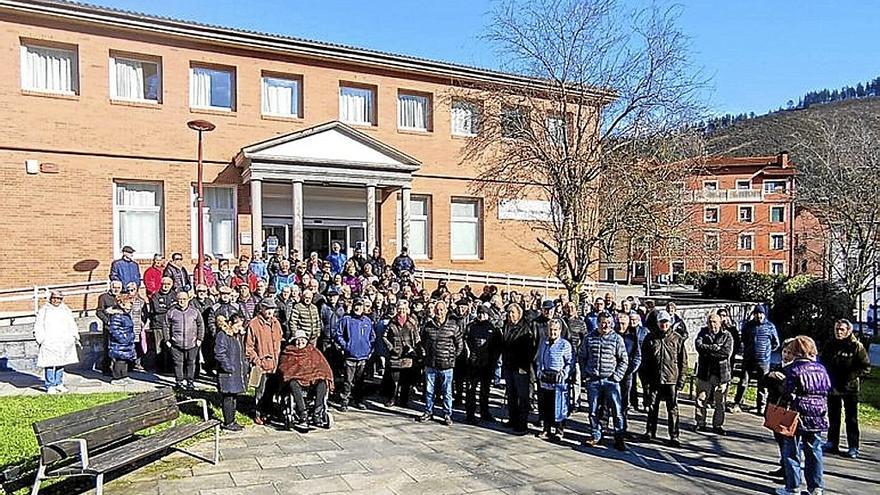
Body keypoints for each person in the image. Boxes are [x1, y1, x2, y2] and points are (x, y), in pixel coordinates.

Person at [775, 336, 831, 495]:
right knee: (815, 450)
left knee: (791, 451)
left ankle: (792, 487)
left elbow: (786, 392)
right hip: (818, 413)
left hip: (797, 413)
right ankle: (816, 488)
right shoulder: (821, 369)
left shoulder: (793, 369)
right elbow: (827, 387)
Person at [821, 319, 871, 459]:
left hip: (850, 388)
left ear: (848, 331)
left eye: (842, 329)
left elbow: (865, 367)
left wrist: (851, 375)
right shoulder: (830, 345)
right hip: (833, 386)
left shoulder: (856, 347)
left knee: (851, 419)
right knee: (833, 416)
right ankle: (832, 442)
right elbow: (823, 361)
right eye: (837, 329)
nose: (839, 332)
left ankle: (853, 446)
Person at [581, 312, 628, 450]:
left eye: (607, 322)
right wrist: (585, 374)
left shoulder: (617, 339)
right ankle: (596, 435)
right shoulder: (589, 338)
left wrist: (617, 376)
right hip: (593, 380)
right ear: (598, 322)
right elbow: (582, 356)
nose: (605, 325)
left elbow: (624, 360)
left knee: (617, 411)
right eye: (602, 322)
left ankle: (619, 437)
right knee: (593, 410)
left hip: (611, 381)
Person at [641, 310, 687, 447]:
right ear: (657, 323)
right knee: (652, 406)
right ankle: (650, 432)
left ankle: (674, 435)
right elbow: (645, 361)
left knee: (672, 409)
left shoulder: (677, 338)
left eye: (666, 322)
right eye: (661, 322)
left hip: (671, 380)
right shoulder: (650, 338)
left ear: (670, 323)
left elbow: (683, 362)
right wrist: (645, 381)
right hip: (654, 379)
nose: (664, 325)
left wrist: (681, 381)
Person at [278, 330, 335, 430]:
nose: (300, 342)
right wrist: (296, 374)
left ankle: (317, 413)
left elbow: (322, 366)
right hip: (297, 382)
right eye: (297, 340)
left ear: (306, 341)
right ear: (294, 341)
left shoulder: (313, 351)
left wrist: (316, 374)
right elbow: (285, 368)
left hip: (313, 381)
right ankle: (302, 414)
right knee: (292, 383)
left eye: (302, 340)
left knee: (322, 381)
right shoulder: (288, 352)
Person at [418, 301, 463, 425]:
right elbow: (422, 342)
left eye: (442, 309)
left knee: (447, 392)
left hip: (446, 365)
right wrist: (424, 354)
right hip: (430, 364)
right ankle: (428, 411)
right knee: (429, 390)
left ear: (446, 311)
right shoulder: (428, 326)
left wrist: (451, 358)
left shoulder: (453, 326)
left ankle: (447, 414)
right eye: (437, 310)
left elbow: (460, 345)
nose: (439, 312)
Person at [731, 304, 780, 415]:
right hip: (748, 358)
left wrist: (766, 351)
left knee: (762, 385)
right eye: (757, 313)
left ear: (764, 314)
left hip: (763, 360)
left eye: (761, 313)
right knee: (743, 382)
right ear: (754, 314)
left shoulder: (770, 326)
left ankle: (760, 407)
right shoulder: (748, 326)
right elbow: (743, 338)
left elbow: (776, 343)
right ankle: (737, 403)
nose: (759, 316)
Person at [693, 313, 734, 435]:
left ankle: (717, 425)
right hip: (705, 372)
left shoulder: (727, 336)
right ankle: (700, 423)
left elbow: (725, 353)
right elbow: (699, 347)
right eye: (710, 322)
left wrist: (709, 352)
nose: (712, 324)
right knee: (701, 399)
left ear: (720, 322)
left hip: (721, 374)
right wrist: (715, 348)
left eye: (715, 322)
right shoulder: (702, 333)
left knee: (720, 402)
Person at [245, 298, 284, 425]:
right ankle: (258, 413)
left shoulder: (276, 323)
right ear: (261, 308)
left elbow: (279, 341)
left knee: (271, 390)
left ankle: (269, 412)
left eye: (272, 309)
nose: (269, 311)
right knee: (260, 391)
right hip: (261, 365)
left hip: (275, 364)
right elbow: (248, 347)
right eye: (267, 308)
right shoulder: (254, 324)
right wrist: (257, 361)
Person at [501, 302, 537, 434]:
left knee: (522, 397)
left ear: (519, 314)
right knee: (511, 395)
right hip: (509, 366)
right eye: (509, 313)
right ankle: (512, 419)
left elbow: (530, 349)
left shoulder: (526, 328)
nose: (510, 315)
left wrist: (524, 364)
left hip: (521, 368)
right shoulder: (506, 327)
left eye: (513, 313)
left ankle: (522, 423)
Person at [34, 290, 80, 394]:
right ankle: (50, 385)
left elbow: (71, 323)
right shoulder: (44, 310)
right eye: (54, 298)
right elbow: (38, 325)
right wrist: (41, 339)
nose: (56, 300)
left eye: (59, 298)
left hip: (63, 341)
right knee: (50, 363)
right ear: (51, 299)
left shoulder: (66, 310)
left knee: (61, 363)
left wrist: (74, 336)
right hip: (49, 340)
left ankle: (58, 383)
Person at [334, 298, 375, 412]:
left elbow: (372, 337)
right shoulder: (346, 319)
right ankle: (344, 401)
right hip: (350, 356)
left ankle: (359, 400)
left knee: (360, 381)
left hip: (363, 356)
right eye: (356, 306)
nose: (358, 308)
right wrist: (346, 346)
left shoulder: (367, 321)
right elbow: (338, 334)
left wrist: (369, 349)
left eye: (360, 306)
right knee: (348, 381)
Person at [536, 319, 574, 441]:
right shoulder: (544, 342)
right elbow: (540, 359)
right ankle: (546, 429)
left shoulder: (565, 344)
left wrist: (564, 374)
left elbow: (570, 362)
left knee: (559, 406)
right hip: (545, 378)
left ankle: (559, 431)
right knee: (545, 405)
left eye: (555, 330)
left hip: (559, 380)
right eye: (551, 330)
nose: (553, 332)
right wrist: (540, 371)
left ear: (560, 331)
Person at [464, 305, 502, 424]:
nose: (481, 315)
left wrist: (493, 360)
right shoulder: (470, 327)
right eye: (479, 313)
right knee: (471, 390)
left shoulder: (493, 328)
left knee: (485, 391)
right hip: (473, 364)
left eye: (484, 314)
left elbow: (497, 347)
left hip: (487, 364)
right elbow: (465, 342)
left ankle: (484, 412)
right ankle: (470, 414)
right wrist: (469, 355)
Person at [163, 291, 205, 390]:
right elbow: (165, 325)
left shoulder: (194, 311)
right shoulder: (171, 312)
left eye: (184, 299)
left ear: (188, 300)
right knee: (178, 363)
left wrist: (200, 339)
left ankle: (190, 382)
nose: (182, 301)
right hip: (176, 343)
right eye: (180, 299)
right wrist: (167, 340)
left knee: (191, 363)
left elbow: (201, 325)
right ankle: (179, 382)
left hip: (192, 343)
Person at [383, 299, 421, 408]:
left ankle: (404, 400)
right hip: (395, 355)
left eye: (404, 308)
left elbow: (417, 337)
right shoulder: (392, 322)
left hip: (408, 355)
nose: (401, 310)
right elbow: (384, 337)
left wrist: (414, 350)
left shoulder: (412, 322)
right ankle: (392, 399)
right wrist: (390, 348)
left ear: (407, 309)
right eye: (399, 308)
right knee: (394, 380)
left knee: (406, 381)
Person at [214, 313, 247, 431]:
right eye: (237, 326)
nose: (239, 328)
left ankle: (232, 420)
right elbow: (219, 353)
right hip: (227, 373)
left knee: (233, 397)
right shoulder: (222, 335)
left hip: (235, 371)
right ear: (230, 324)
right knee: (228, 397)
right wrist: (228, 367)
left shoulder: (235, 336)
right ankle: (228, 422)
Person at [618, 311, 642, 432]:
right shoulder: (613, 335)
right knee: (606, 402)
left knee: (624, 403)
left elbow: (637, 356)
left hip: (627, 374)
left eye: (624, 323)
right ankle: (603, 428)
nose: (621, 326)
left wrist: (631, 370)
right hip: (612, 373)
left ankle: (622, 429)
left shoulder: (632, 337)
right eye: (619, 323)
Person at [147, 277, 176, 371]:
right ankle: (160, 368)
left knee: (171, 346)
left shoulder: (175, 295)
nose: (166, 286)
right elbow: (157, 309)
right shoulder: (156, 295)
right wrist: (169, 309)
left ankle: (171, 367)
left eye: (168, 284)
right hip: (158, 325)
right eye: (164, 284)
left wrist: (167, 309)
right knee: (159, 348)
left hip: (172, 325)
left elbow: (176, 309)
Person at [108, 296, 136, 384]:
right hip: (119, 343)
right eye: (129, 304)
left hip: (127, 342)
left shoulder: (126, 315)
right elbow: (114, 329)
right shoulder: (117, 316)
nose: (130, 306)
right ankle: (116, 378)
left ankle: (124, 375)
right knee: (120, 360)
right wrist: (122, 338)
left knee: (125, 360)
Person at [96, 280, 122, 375]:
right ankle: (106, 369)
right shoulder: (103, 297)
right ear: (110, 287)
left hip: (120, 327)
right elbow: (99, 311)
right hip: (109, 327)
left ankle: (119, 370)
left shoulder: (122, 297)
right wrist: (108, 321)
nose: (116, 289)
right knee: (108, 348)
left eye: (118, 288)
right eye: (114, 287)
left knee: (120, 348)